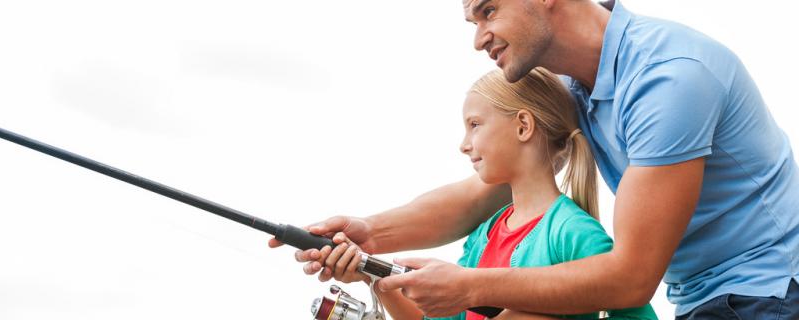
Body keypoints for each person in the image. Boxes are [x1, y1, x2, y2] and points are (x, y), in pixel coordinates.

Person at [272, 0, 799, 318]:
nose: (479, 38)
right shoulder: (579, 85)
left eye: (488, 10)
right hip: (714, 301)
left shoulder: (668, 79)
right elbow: (490, 191)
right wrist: (370, 236)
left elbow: (633, 277)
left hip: (770, 296)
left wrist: (469, 285)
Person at [324, 68, 657, 320]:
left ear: (523, 126)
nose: (464, 144)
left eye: (475, 124)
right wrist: (377, 277)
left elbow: (634, 311)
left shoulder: (574, 233)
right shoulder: (484, 235)